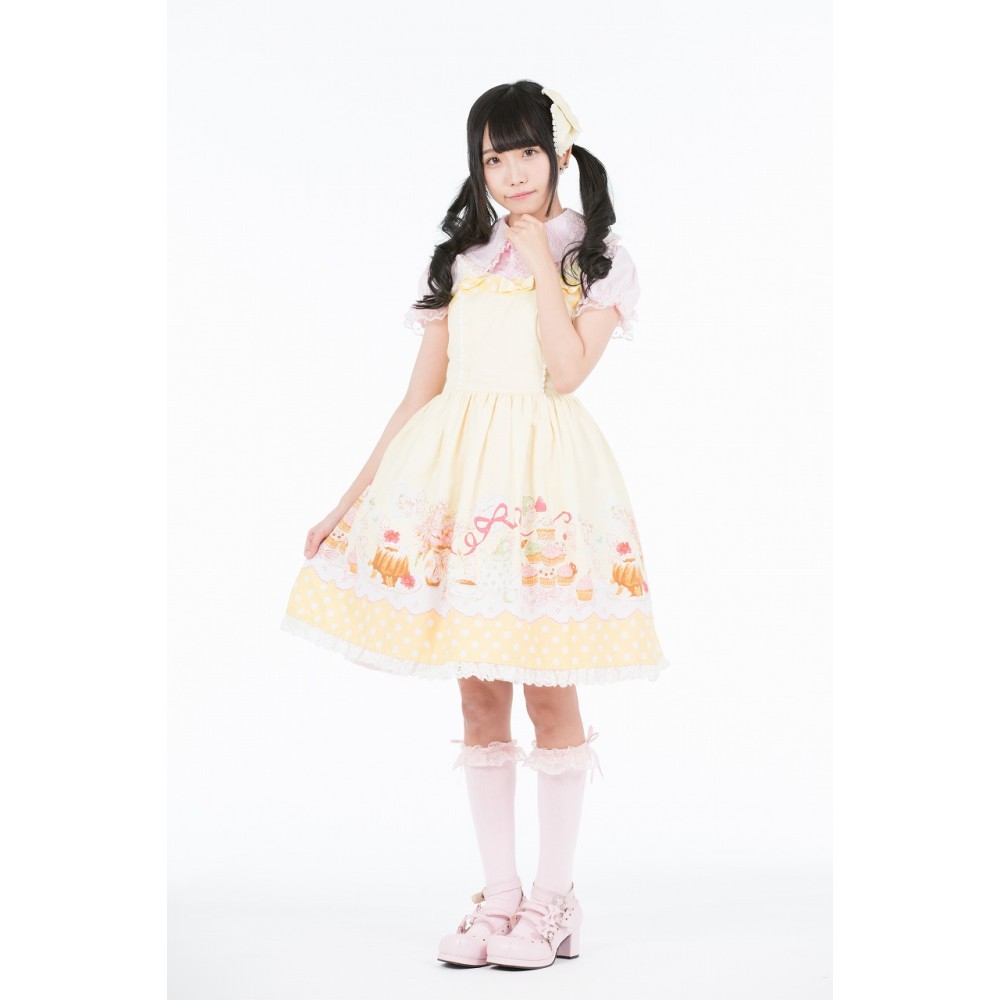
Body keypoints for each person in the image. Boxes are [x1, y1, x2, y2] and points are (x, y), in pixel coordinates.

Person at [280, 80, 669, 970]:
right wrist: (345, 503)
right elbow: (419, 397)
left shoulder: (596, 257)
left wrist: (538, 258)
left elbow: (566, 372)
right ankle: (499, 900)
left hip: (544, 487)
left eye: (526, 151)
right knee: (480, 692)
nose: (511, 172)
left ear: (559, 154)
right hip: (461, 487)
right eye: (494, 157)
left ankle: (555, 903)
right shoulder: (462, 260)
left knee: (549, 688)